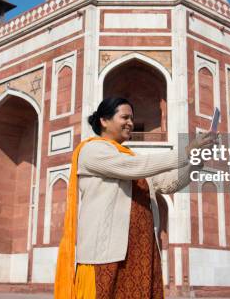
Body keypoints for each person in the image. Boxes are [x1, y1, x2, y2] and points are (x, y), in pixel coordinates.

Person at [55, 97, 215, 298]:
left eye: (132, 118)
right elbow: (132, 168)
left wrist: (196, 161)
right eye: (125, 117)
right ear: (104, 120)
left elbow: (167, 183)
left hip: (141, 250)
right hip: (106, 254)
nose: (130, 123)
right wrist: (186, 152)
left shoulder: (131, 157)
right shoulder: (91, 150)